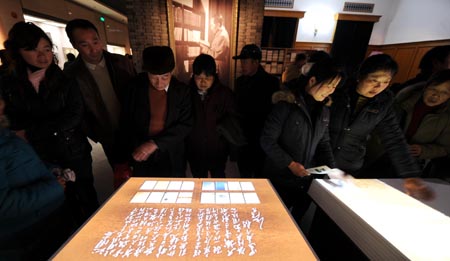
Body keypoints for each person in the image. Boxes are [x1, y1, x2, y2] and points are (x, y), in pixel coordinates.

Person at [1, 21, 98, 225]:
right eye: (33, 50)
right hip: (37, 156)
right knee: (56, 204)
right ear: (18, 52)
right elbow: (11, 119)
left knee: (87, 197)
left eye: (46, 49)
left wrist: (31, 132)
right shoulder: (9, 84)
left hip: (73, 150)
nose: (43, 56)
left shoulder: (64, 80)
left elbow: (74, 115)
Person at [260, 58, 345, 221]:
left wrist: (333, 171)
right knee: (274, 219)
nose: (331, 91)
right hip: (280, 177)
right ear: (312, 80)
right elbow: (267, 140)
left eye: (334, 87)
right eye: (329, 85)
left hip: (306, 179)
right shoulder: (286, 104)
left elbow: (324, 143)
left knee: (297, 222)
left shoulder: (324, 109)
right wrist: (290, 164)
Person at [64, 18, 136, 188]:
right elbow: (77, 112)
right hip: (107, 133)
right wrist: (95, 133)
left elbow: (137, 95)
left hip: (132, 128)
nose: (93, 49)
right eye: (84, 44)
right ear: (74, 45)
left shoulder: (121, 62)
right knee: (120, 174)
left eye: (95, 41)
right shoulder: (71, 75)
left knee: (141, 169)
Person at [0, 92, 71, 260]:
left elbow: (20, 165)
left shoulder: (4, 132)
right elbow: (3, 205)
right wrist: (54, 187)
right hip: (25, 236)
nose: (2, 104)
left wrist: (50, 170)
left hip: (44, 222)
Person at [328, 54, 422, 178]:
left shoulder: (383, 103)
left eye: (386, 82)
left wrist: (410, 175)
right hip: (321, 159)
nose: (379, 87)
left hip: (349, 165)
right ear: (360, 75)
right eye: (374, 80)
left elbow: (394, 138)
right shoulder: (335, 92)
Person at [120, 46, 192, 177]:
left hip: (171, 151)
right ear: (146, 72)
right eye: (153, 77)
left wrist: (155, 143)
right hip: (141, 151)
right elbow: (126, 121)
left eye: (165, 77)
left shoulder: (182, 91)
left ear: (172, 72)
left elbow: (186, 125)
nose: (159, 83)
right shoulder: (134, 88)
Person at [370, 69, 450, 178]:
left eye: (445, 92)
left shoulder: (446, 117)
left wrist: (423, 150)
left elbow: (445, 148)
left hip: (409, 165)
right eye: (433, 89)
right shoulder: (402, 101)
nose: (436, 95)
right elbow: (376, 127)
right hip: (379, 156)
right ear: (426, 87)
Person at [185, 54, 236, 178]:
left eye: (207, 77)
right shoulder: (186, 93)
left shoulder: (225, 94)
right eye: (199, 77)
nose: (203, 82)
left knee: (218, 180)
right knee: (198, 181)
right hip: (195, 149)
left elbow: (232, 123)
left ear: (214, 76)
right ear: (193, 76)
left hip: (218, 149)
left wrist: (231, 149)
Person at [233, 44, 280, 178]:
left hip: (262, 137)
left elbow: (273, 113)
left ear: (256, 62)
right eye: (241, 61)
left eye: (245, 61)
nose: (242, 64)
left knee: (261, 176)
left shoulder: (271, 82)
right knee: (244, 174)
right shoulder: (239, 81)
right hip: (243, 137)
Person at [200, 14, 230, 85]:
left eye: (211, 25)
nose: (210, 28)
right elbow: (216, 49)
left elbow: (216, 55)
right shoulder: (219, 34)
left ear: (218, 24)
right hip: (218, 67)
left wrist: (204, 49)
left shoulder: (222, 35)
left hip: (219, 69)